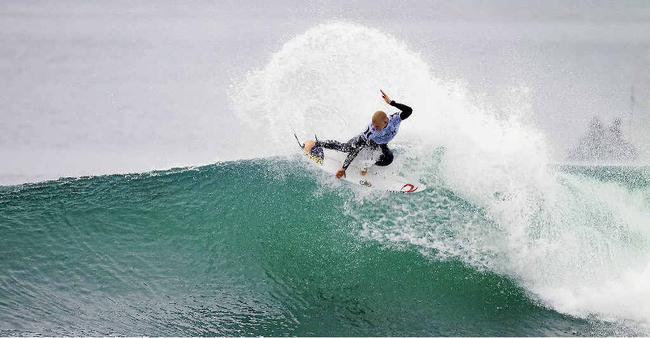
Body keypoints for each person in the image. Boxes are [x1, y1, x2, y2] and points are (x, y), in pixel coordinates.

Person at [304, 89, 413, 179]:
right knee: (346, 148)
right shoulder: (371, 132)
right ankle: (315, 143)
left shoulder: (394, 119)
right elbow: (355, 150)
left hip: (382, 144)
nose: (375, 128)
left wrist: (391, 103)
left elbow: (409, 110)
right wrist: (343, 168)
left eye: (377, 127)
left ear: (385, 122)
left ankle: (365, 166)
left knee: (388, 159)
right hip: (369, 141)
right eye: (374, 126)